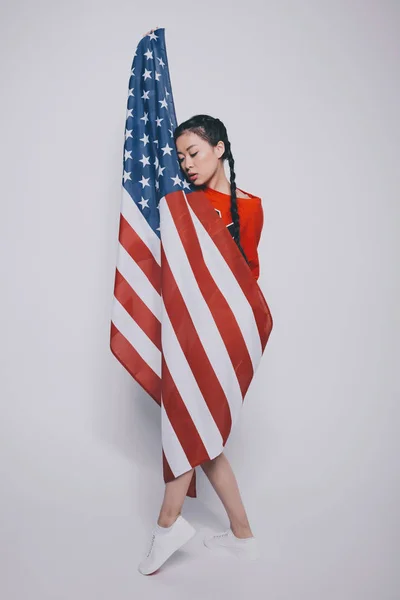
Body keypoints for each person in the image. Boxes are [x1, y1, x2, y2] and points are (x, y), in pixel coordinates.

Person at [138, 30, 264, 577]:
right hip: (190, 326)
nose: (186, 164)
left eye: (194, 153)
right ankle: (242, 534)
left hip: (225, 330)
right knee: (204, 437)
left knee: (191, 423)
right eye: (180, 156)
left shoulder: (249, 206)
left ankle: (168, 526)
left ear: (218, 148)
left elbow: (247, 276)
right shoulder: (179, 205)